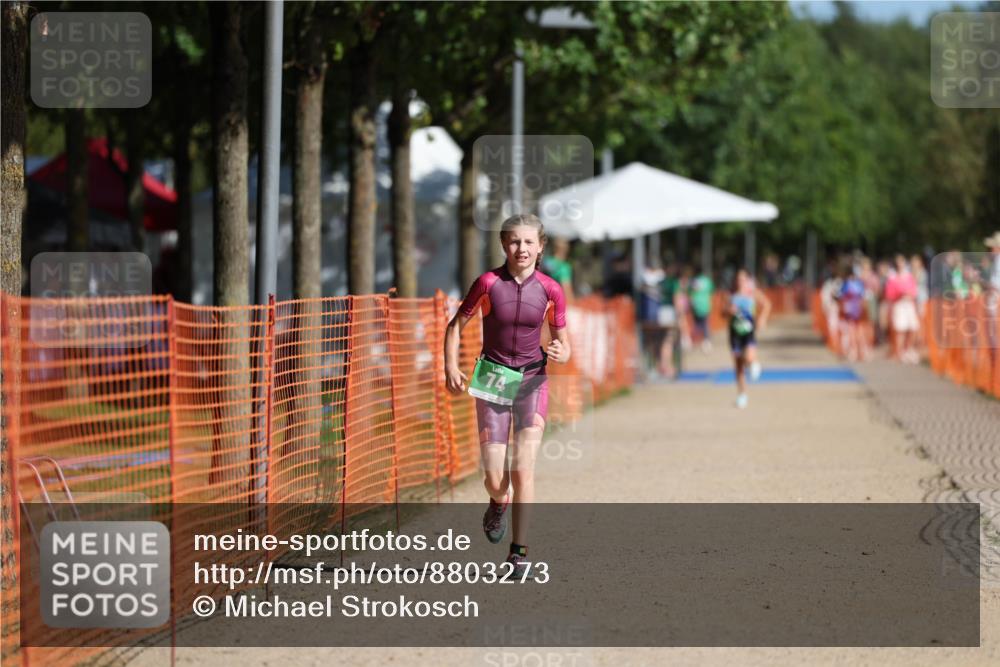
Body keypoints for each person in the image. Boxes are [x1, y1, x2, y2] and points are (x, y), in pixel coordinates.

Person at [444, 213, 571, 577]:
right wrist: (450, 366)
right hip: (493, 379)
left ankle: (519, 552)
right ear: (503, 244)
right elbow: (455, 327)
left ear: (541, 247)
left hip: (532, 379)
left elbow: (564, 342)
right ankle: (498, 501)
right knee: (494, 478)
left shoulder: (551, 289)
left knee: (523, 467)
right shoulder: (487, 283)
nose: (522, 248)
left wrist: (562, 351)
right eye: (515, 241)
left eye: (529, 242)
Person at [727, 269, 771, 409]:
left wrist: (762, 318)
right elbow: (723, 311)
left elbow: (767, 304)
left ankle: (753, 363)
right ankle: (742, 395)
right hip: (734, 334)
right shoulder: (731, 294)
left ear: (747, 280)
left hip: (748, 332)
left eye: (742, 279)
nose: (740, 282)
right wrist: (729, 311)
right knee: (738, 366)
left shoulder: (752, 293)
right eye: (738, 279)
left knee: (749, 357)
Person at [885, 255, 920, 364]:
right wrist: (899, 295)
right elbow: (889, 294)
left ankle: (908, 349)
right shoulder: (892, 278)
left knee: (912, 328)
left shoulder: (909, 276)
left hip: (909, 304)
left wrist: (909, 295)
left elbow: (914, 291)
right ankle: (899, 352)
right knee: (900, 330)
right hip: (899, 305)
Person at [837, 266, 869, 362]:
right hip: (851, 309)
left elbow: (863, 296)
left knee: (858, 331)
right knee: (852, 330)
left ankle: (859, 351)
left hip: (856, 309)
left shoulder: (857, 284)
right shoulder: (847, 283)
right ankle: (854, 351)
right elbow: (841, 296)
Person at [689, 267, 714, 352]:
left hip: (696, 305)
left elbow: (691, 292)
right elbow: (711, 291)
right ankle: (706, 341)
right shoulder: (707, 281)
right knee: (705, 324)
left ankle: (696, 340)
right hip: (705, 305)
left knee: (697, 324)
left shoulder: (694, 280)